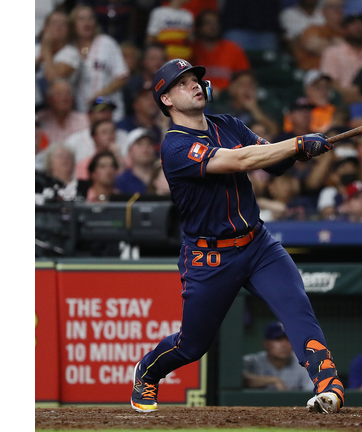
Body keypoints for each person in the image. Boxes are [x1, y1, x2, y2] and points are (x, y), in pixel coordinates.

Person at [130, 59, 345, 414]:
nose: (195, 85)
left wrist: (302, 150)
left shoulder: (227, 124)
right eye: (182, 83)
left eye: (195, 79)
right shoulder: (175, 146)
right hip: (209, 257)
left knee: (296, 308)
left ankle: (328, 384)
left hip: (258, 244)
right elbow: (242, 161)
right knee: (191, 346)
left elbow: (272, 162)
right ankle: (148, 372)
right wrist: (295, 143)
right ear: (165, 99)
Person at [69, 4, 130, 122]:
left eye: (90, 18)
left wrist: (99, 95)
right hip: (81, 113)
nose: (86, 22)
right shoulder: (69, 47)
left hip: (110, 110)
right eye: (81, 19)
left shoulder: (107, 42)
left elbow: (122, 76)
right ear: (72, 24)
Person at [319, 4, 362, 104]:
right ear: (344, 28)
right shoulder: (332, 52)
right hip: (342, 104)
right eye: (353, 23)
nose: (358, 27)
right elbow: (329, 82)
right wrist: (352, 94)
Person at [190, 9, 250, 93]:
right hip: (198, 95)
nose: (213, 26)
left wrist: (227, 90)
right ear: (199, 27)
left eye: (215, 23)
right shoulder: (191, 49)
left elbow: (245, 76)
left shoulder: (232, 48)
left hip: (228, 96)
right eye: (208, 23)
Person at [243, 321, 314, 391]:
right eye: (278, 339)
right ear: (265, 343)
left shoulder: (304, 363)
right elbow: (240, 377)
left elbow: (311, 395)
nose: (284, 345)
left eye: (289, 339)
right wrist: (273, 380)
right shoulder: (253, 361)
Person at [35, 9, 81, 111]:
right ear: (45, 27)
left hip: (61, 108)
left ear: (68, 30)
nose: (58, 27)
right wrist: (39, 58)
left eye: (63, 24)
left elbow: (53, 80)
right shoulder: (35, 49)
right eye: (54, 23)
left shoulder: (71, 53)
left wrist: (46, 49)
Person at [209, 70, 280, 136]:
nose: (247, 89)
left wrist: (254, 110)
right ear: (232, 89)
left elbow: (275, 132)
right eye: (242, 85)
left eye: (250, 85)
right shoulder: (221, 111)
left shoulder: (262, 109)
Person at [64, 97, 130, 164]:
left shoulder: (124, 137)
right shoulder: (74, 141)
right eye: (102, 111)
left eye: (109, 111)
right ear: (89, 115)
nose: (106, 115)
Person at [292, 0, 344, 72]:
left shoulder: (347, 31)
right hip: (316, 72)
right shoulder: (315, 29)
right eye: (332, 7)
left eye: (341, 6)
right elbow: (313, 45)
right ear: (323, 11)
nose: (337, 10)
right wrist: (337, 42)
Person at [36, 79, 90, 144]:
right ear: (48, 98)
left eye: (67, 94)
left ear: (73, 98)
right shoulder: (39, 120)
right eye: (58, 94)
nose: (63, 98)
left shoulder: (84, 120)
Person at [122, 44, 168, 118]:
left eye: (162, 59)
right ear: (143, 61)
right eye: (153, 58)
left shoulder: (169, 84)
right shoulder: (132, 84)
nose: (158, 62)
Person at [115, 128, 159, 195]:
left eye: (149, 143)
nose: (145, 147)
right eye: (139, 144)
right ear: (130, 151)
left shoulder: (163, 177)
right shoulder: (122, 180)